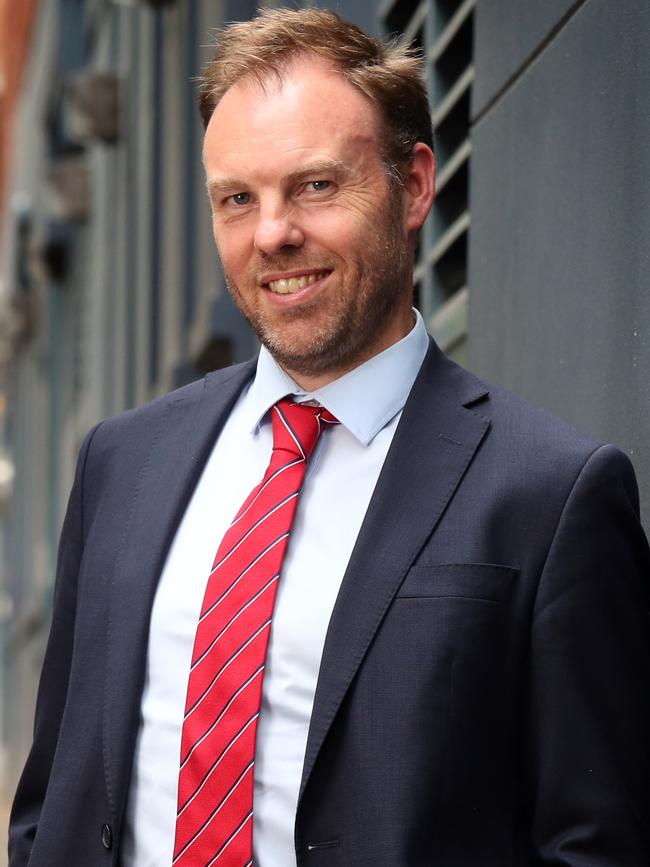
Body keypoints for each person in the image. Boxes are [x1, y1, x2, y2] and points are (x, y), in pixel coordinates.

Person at [8, 7, 650, 866]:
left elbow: (599, 844)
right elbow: (54, 798)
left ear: (414, 186)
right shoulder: (121, 464)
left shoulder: (551, 495)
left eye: (314, 185)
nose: (273, 233)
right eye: (238, 198)